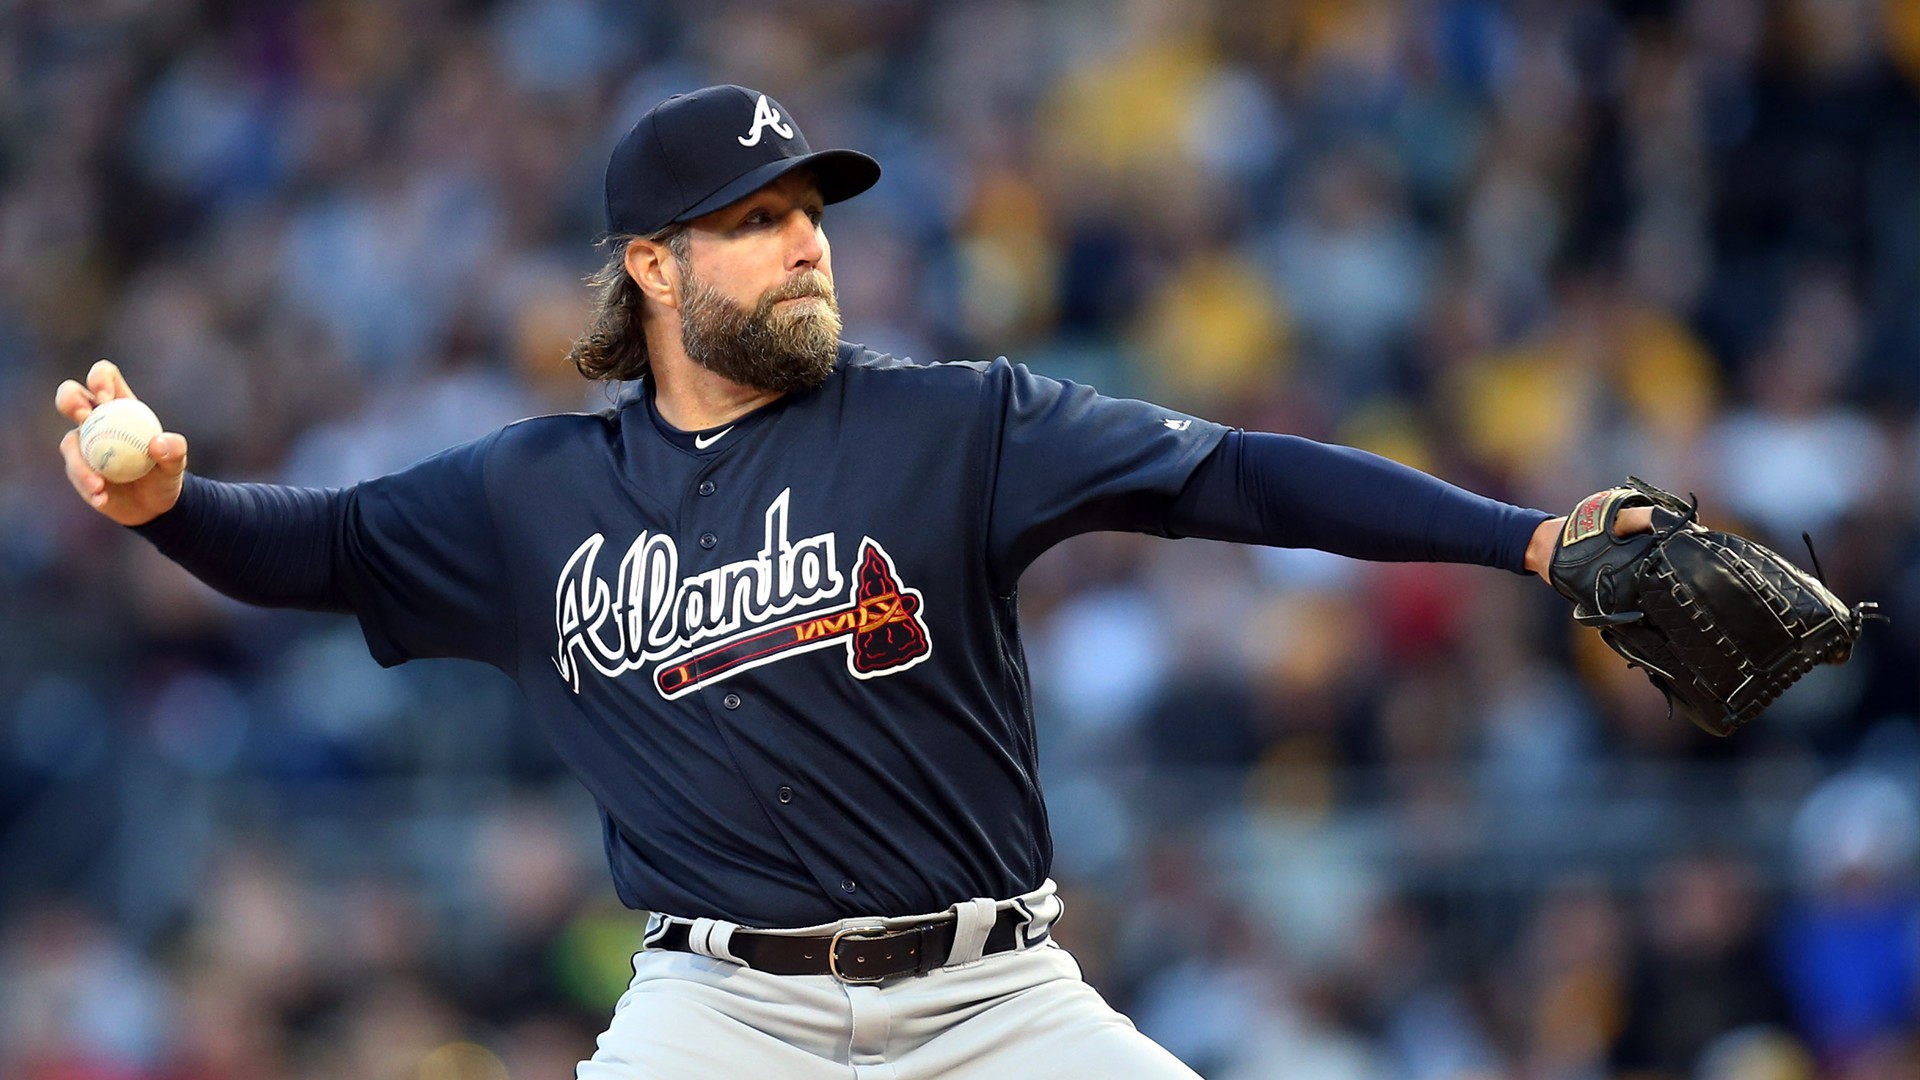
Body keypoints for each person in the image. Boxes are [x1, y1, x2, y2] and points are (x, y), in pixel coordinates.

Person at [55, 85, 1650, 1077]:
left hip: (994, 1008)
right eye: (755, 221)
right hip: (717, 1020)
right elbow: (316, 548)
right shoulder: (531, 496)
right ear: (653, 270)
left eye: (812, 213)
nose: (808, 242)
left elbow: (1236, 473)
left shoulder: (958, 424)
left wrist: (1518, 536)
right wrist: (167, 503)